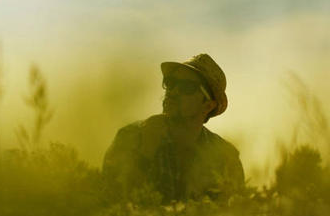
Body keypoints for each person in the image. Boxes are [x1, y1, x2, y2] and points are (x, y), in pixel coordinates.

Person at [102, 54, 244, 203]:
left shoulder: (225, 157)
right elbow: (112, 200)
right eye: (170, 83)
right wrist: (147, 149)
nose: (174, 91)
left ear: (208, 105)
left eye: (187, 87)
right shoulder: (131, 137)